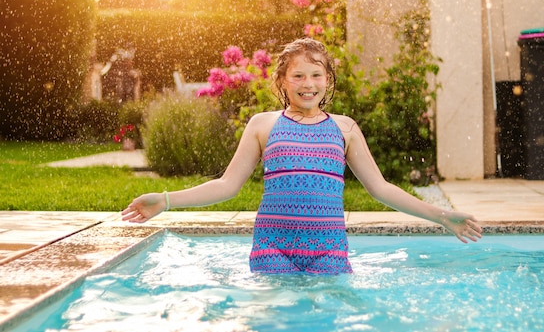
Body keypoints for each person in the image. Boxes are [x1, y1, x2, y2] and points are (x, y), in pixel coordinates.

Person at [122, 38, 482, 275]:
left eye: (316, 75)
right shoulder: (263, 125)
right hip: (272, 247)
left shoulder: (345, 129)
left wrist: (442, 216)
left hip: (328, 250)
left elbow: (381, 189)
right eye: (297, 75)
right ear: (282, 81)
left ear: (328, 80)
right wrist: (166, 200)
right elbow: (227, 185)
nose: (307, 83)